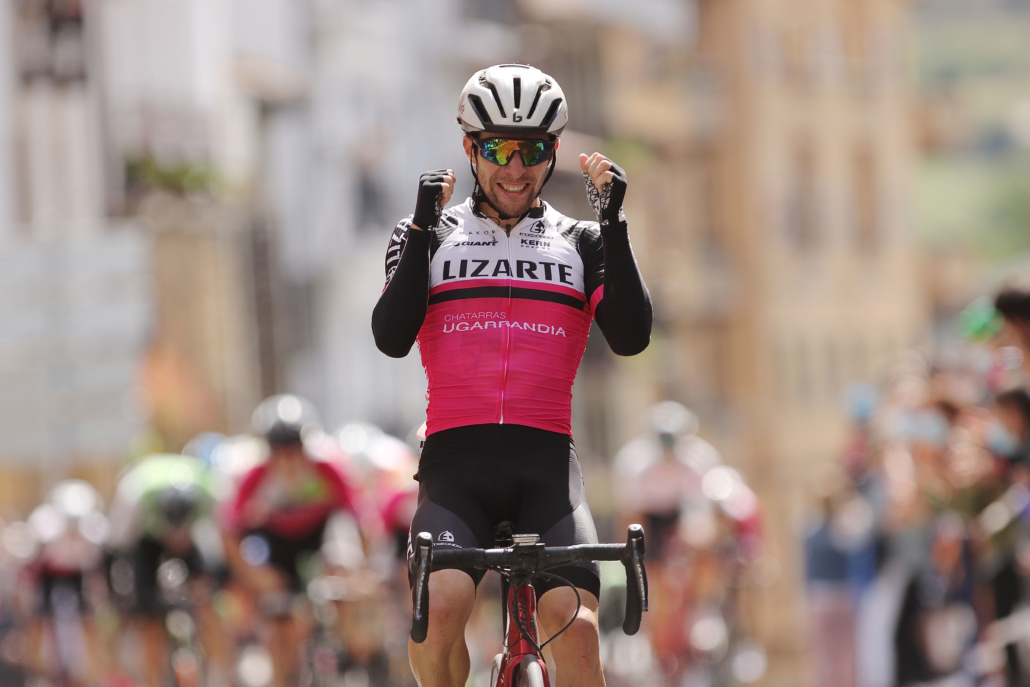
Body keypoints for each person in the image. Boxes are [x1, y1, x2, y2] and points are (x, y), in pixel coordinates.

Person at [371, 64, 652, 687]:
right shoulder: (430, 234)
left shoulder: (581, 242)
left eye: (534, 150)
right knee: (439, 610)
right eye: (498, 149)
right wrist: (419, 231)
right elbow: (391, 338)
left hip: (546, 471)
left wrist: (614, 226)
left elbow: (631, 339)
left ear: (554, 152)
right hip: (455, 473)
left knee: (576, 631)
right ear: (470, 148)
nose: (516, 168)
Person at [223, 394, 364, 687]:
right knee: (278, 618)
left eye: (295, 450)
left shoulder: (329, 469)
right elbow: (230, 531)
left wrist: (360, 570)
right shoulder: (254, 477)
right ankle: (282, 676)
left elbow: (361, 519)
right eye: (279, 452)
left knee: (343, 568)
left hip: (320, 535)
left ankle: (347, 646)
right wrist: (253, 575)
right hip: (278, 543)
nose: (288, 461)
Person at [105, 453, 230, 687]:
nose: (176, 538)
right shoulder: (135, 497)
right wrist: (123, 600)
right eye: (172, 531)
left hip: (194, 538)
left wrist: (214, 583)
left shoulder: (212, 494)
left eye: (182, 531)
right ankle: (152, 678)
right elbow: (115, 549)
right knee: (147, 616)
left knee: (207, 600)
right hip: (146, 541)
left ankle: (221, 672)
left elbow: (224, 546)